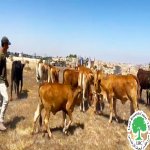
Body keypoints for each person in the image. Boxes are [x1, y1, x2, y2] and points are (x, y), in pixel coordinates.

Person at [0, 36, 11, 131]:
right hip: (0, 81)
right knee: (6, 99)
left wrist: (6, 80)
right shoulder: (0, 55)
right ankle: (1, 121)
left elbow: (3, 70)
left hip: (3, 81)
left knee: (0, 101)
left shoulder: (3, 54)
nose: (8, 47)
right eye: (8, 45)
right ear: (4, 44)